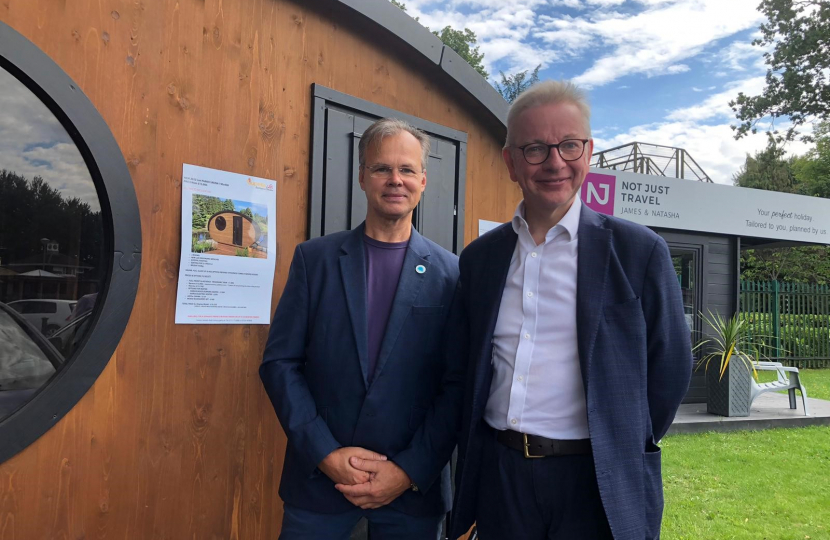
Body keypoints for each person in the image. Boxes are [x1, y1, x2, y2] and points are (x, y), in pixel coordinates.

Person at [449, 81, 693, 540]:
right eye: (536, 148)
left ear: (589, 151)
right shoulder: (480, 259)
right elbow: (465, 367)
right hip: (502, 480)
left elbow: (672, 368)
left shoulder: (638, 251)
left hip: (596, 483)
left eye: (569, 145)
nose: (555, 162)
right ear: (511, 163)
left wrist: (620, 437)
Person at [260, 118, 463, 540]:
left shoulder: (452, 273)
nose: (395, 180)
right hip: (320, 483)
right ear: (361, 177)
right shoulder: (314, 261)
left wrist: (407, 471)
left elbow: (458, 384)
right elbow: (280, 363)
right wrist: (325, 453)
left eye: (407, 170)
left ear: (423, 180)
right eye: (381, 168)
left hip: (411, 492)